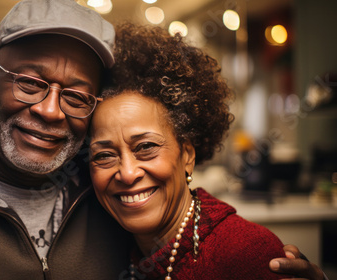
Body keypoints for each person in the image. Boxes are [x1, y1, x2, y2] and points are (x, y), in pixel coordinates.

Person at [0, 0, 325, 279]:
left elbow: (190, 217)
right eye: (29, 82)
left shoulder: (106, 193)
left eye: (75, 95)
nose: (50, 110)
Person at [88, 23, 328, 280]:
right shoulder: (112, 248)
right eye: (104, 155)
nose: (127, 173)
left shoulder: (246, 253)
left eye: (146, 147)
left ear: (187, 155)